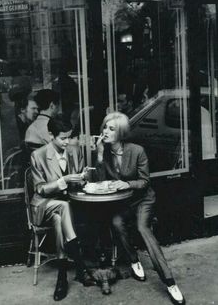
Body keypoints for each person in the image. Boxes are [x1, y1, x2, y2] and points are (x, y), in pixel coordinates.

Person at [95, 112, 185, 305]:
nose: (106, 132)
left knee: (142, 228)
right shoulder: (107, 153)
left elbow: (145, 181)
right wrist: (100, 154)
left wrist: (127, 184)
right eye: (105, 127)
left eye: (111, 129)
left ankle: (170, 282)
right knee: (116, 222)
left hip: (143, 199)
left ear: (121, 132)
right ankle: (134, 259)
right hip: (125, 202)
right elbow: (102, 181)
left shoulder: (137, 151)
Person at [30, 115, 96, 301]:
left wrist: (82, 178)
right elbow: (40, 188)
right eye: (63, 138)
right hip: (44, 205)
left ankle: (62, 277)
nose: (67, 142)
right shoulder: (38, 155)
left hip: (68, 206)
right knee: (62, 206)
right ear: (51, 135)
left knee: (60, 218)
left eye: (69, 137)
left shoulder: (75, 151)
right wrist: (62, 181)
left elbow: (81, 180)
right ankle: (81, 268)